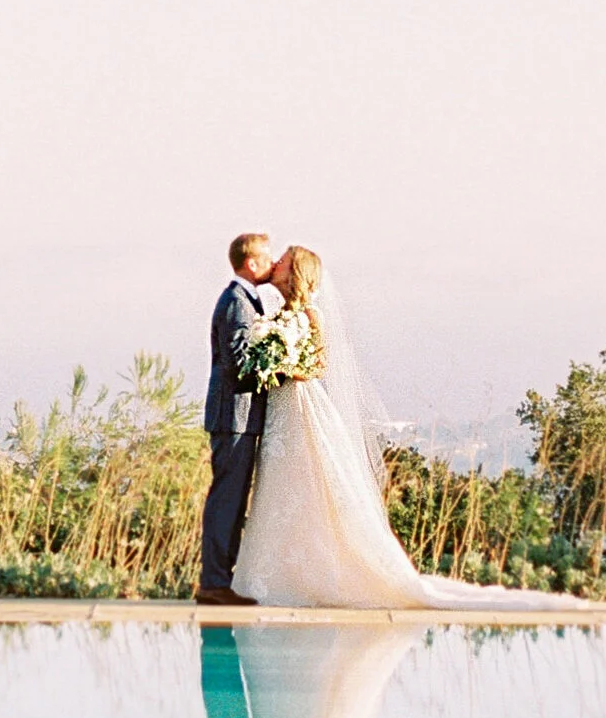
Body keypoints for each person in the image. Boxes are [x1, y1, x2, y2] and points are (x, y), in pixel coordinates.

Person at [236, 246, 516, 610]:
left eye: (284, 260)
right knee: (280, 486)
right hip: (280, 409)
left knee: (309, 483)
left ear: (296, 272)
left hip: (301, 404)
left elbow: (319, 365)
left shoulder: (311, 313)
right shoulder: (277, 315)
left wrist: (285, 365)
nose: (277, 263)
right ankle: (276, 573)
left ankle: (318, 574)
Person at [199, 230, 281, 604]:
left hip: (242, 416)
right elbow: (240, 362)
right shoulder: (236, 301)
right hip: (233, 415)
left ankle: (221, 581)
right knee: (226, 499)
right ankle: (214, 583)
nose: (272, 262)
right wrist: (281, 367)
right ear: (251, 263)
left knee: (233, 499)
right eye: (267, 257)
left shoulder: (247, 300)